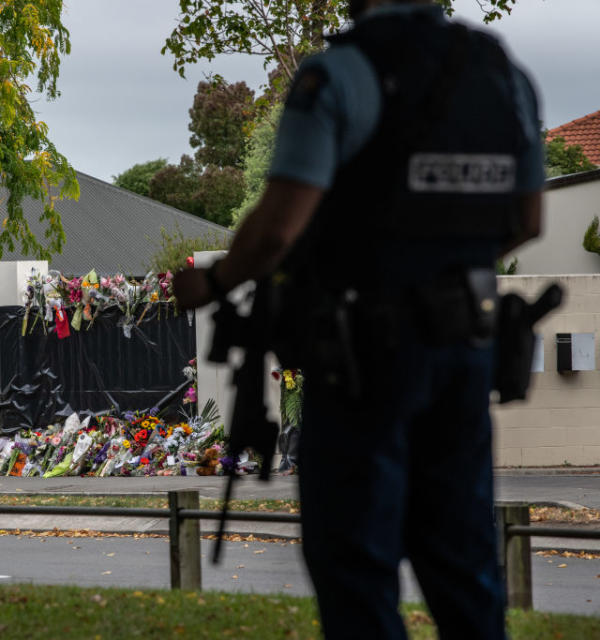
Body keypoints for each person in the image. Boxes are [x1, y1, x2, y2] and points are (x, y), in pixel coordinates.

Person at [173, 1, 544, 638]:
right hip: (464, 353)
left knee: (355, 565)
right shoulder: (503, 73)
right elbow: (528, 221)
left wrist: (210, 282)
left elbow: (276, 231)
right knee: (463, 561)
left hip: (363, 358)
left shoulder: (341, 74)